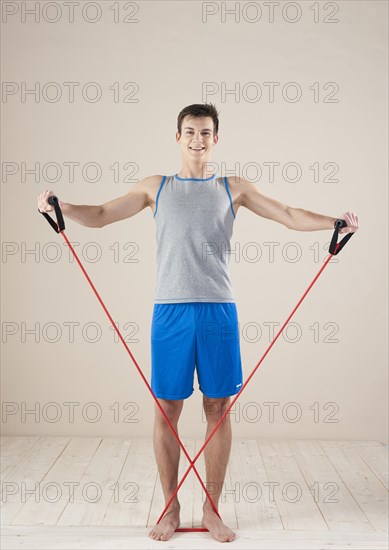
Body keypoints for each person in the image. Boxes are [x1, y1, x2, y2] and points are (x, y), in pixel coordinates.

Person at [37, 103, 359, 543]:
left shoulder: (233, 187)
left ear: (216, 140)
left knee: (218, 407)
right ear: (177, 137)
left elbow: (285, 213)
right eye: (189, 131)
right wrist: (61, 206)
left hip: (217, 311)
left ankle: (212, 509)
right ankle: (170, 509)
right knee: (167, 408)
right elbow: (102, 214)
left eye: (206, 133)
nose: (197, 139)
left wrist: (334, 223)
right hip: (169, 312)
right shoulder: (157, 187)